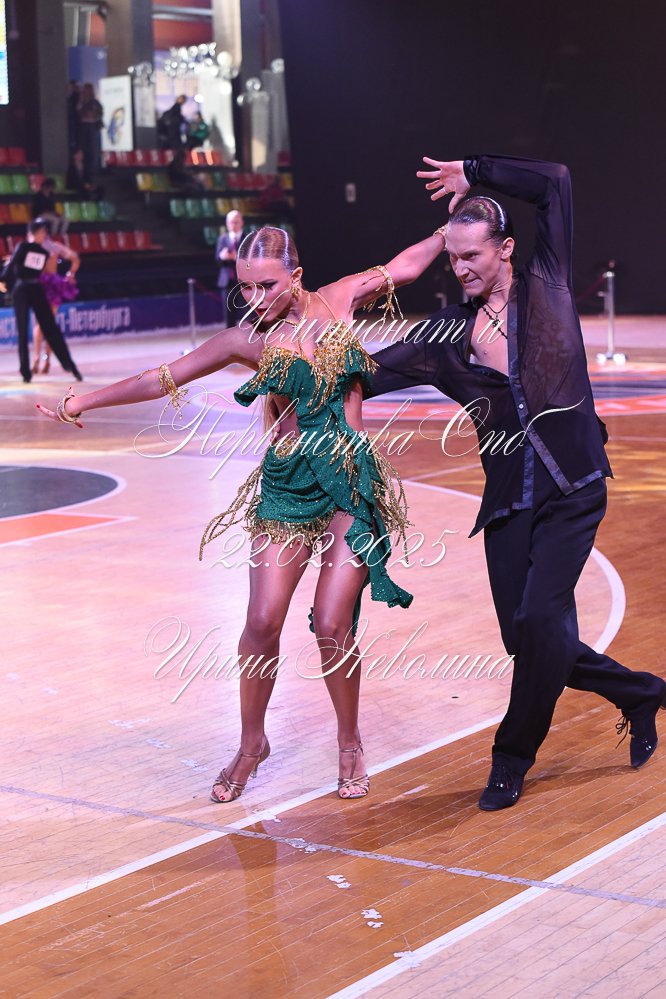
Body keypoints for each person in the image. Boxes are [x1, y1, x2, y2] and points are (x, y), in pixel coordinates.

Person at [37, 225, 445, 802]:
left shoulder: (339, 299)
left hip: (350, 484)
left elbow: (405, 265)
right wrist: (80, 401)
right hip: (286, 487)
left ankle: (349, 740)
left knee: (332, 623)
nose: (254, 299)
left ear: (296, 276)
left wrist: (452, 221)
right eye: (245, 287)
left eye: (266, 286)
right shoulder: (246, 340)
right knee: (261, 621)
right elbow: (161, 378)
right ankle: (253, 743)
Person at [365, 154, 666, 811]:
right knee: (526, 640)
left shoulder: (549, 284)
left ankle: (511, 758)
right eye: (454, 259)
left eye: (473, 255)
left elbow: (556, 180)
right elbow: (367, 373)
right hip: (509, 501)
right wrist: (294, 365)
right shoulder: (446, 335)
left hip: (574, 487)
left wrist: (476, 170)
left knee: (537, 620)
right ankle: (641, 691)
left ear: (504, 249)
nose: (462, 268)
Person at [1, 219, 82, 383]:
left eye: (45, 232)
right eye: (42, 232)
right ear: (34, 233)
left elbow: (27, 266)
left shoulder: (44, 252)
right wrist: (2, 279)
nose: (44, 235)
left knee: (50, 326)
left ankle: (69, 365)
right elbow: (14, 264)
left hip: (36, 288)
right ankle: (26, 371)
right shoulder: (23, 247)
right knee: (23, 331)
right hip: (22, 290)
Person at [31, 235, 80, 374]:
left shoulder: (41, 246)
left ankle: (39, 358)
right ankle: (44, 359)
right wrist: (71, 273)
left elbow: (75, 258)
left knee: (41, 325)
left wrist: (71, 274)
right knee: (47, 325)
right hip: (47, 285)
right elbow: (75, 258)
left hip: (44, 285)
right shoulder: (52, 246)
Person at [216, 210, 250, 326]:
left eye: (236, 222)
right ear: (227, 224)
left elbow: (252, 261)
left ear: (242, 222)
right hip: (228, 282)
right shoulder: (223, 239)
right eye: (231, 222)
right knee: (229, 317)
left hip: (245, 282)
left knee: (248, 315)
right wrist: (222, 256)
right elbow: (217, 260)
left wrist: (236, 258)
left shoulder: (248, 238)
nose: (233, 225)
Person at [77, 83, 104, 183]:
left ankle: (94, 171)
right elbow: (79, 111)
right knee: (84, 149)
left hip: (92, 127)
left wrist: (93, 115)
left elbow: (98, 113)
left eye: (87, 90)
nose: (85, 92)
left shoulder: (95, 102)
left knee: (93, 150)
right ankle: (86, 171)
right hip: (84, 127)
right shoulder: (82, 102)